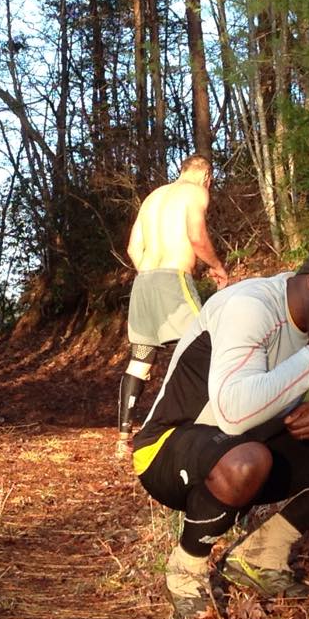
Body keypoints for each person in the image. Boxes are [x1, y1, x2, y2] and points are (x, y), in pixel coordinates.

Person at [130, 240, 309, 619]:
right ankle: (186, 569)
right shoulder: (250, 306)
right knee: (245, 460)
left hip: (251, 447)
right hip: (169, 448)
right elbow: (233, 414)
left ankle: (262, 554)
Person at [118, 154, 229, 458]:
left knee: (141, 358)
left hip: (143, 281)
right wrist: (217, 266)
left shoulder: (153, 197)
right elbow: (196, 237)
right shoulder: (196, 192)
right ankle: (196, 426)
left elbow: (133, 247)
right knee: (204, 345)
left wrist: (150, 275)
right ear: (206, 176)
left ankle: (123, 439)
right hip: (173, 280)